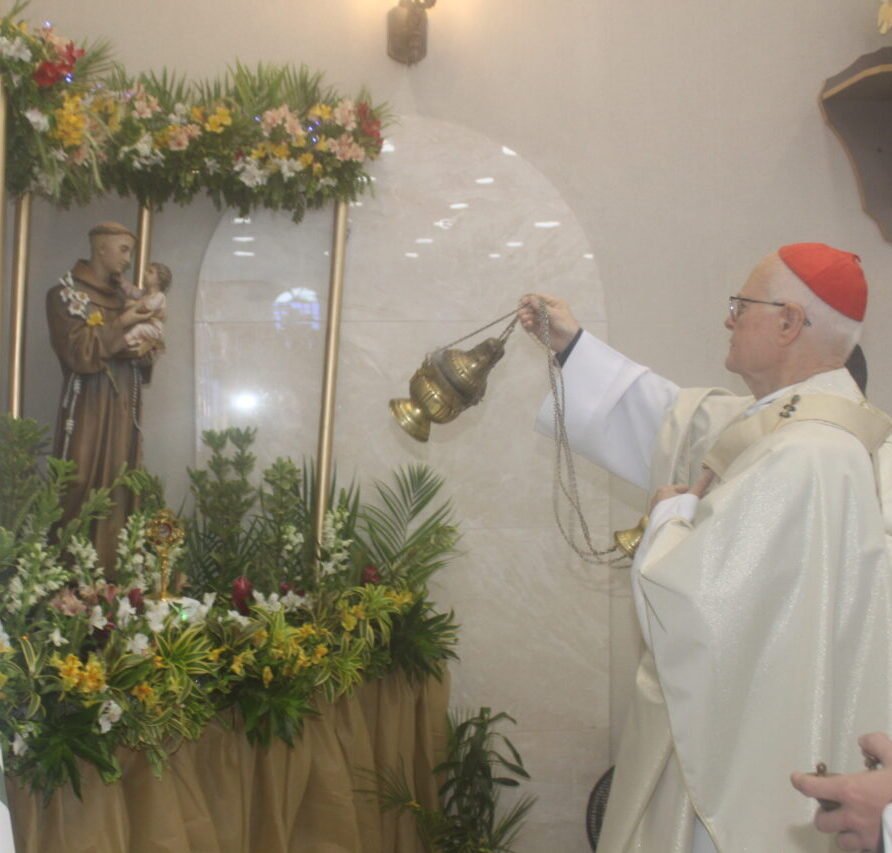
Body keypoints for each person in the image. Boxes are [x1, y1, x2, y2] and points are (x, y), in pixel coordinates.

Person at [518, 243, 892, 852]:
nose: (728, 318)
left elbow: (695, 611)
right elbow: (678, 419)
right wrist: (574, 345)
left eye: (741, 305)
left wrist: (670, 515)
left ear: (789, 322)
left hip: (744, 771)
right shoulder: (807, 428)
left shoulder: (805, 453)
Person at [46, 221, 162, 573]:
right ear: (101, 248)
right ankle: (67, 578)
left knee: (120, 484)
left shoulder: (128, 297)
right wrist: (121, 327)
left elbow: (149, 348)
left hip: (123, 406)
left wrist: (143, 350)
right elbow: (78, 352)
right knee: (78, 480)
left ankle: (114, 579)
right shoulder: (63, 294)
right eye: (124, 250)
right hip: (88, 407)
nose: (129, 260)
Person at [122, 261, 171, 352]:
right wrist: (122, 281)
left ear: (159, 280)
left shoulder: (159, 296)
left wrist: (133, 304)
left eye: (150, 272)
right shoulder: (145, 293)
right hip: (145, 325)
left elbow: (148, 307)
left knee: (139, 329)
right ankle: (128, 343)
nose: (145, 273)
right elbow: (132, 291)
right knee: (132, 327)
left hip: (154, 329)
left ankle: (121, 343)